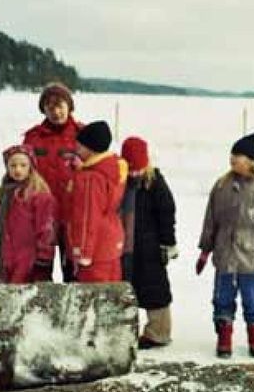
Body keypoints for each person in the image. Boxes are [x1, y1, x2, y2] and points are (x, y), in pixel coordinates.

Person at [197, 132, 254, 358]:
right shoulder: (222, 185)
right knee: (222, 298)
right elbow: (211, 220)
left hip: (252, 259)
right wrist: (205, 251)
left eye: (239, 155)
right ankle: (224, 337)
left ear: (252, 160)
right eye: (232, 154)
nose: (233, 158)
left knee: (253, 299)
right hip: (225, 255)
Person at [120, 136, 178, 349]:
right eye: (131, 169)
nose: (134, 174)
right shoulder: (121, 181)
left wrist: (168, 243)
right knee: (127, 288)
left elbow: (167, 214)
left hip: (150, 247)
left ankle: (159, 331)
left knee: (156, 289)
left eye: (138, 169)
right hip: (126, 246)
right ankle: (125, 330)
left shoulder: (155, 183)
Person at [22, 82, 83, 281]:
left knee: (74, 274)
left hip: (72, 216)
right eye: (50, 107)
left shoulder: (83, 134)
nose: (56, 112)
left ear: (69, 106)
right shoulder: (33, 137)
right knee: (39, 273)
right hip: (41, 216)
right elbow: (22, 171)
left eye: (60, 106)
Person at [64, 120, 127, 283]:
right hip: (110, 245)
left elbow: (87, 217)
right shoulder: (110, 168)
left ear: (90, 149)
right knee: (110, 298)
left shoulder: (90, 179)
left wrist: (83, 252)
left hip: (94, 252)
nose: (76, 150)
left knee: (92, 299)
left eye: (79, 146)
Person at [0, 144, 57, 283]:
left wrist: (44, 259)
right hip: (2, 260)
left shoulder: (40, 196)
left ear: (31, 167)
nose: (18, 169)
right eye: (13, 165)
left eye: (23, 165)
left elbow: (46, 229)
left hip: (29, 261)